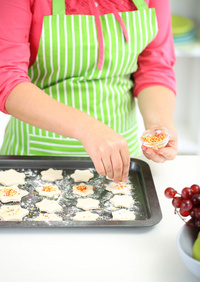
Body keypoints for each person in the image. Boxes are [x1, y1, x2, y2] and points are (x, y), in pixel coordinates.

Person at [0, 0, 177, 183]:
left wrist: (159, 126)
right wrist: (88, 128)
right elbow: (6, 77)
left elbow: (155, 67)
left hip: (121, 160)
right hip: (36, 156)